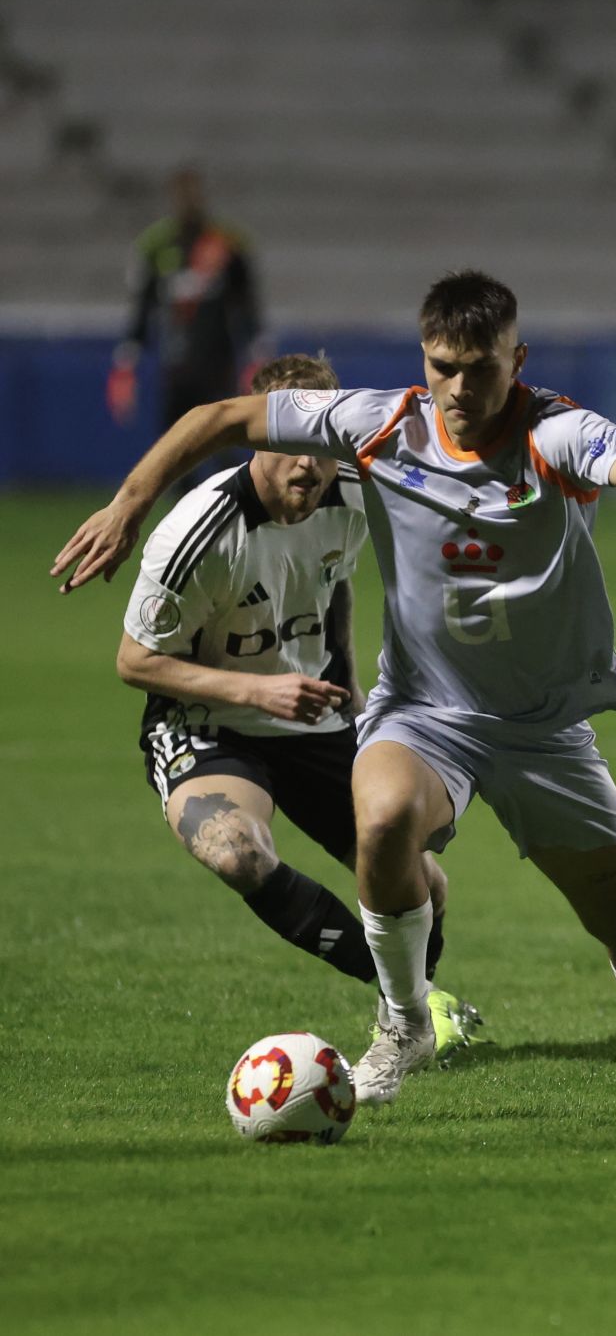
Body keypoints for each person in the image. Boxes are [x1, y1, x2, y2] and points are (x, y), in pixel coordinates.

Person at [55, 270, 616, 1109]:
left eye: (480, 367)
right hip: (424, 713)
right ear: (423, 360)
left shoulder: (555, 432)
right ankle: (403, 1023)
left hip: (543, 727)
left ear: (518, 358)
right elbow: (217, 418)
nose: (460, 388)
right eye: (443, 366)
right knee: (386, 814)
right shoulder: (382, 424)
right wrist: (128, 505)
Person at [117, 352, 481, 1058]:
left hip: (309, 711)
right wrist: (257, 688)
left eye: (322, 446)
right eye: (291, 445)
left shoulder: (349, 494)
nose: (308, 466)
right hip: (207, 721)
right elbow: (134, 660)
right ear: (258, 437)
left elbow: (336, 581)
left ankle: (405, 1009)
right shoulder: (198, 534)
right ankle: (410, 1006)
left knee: (425, 885)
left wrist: (349, 687)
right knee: (238, 852)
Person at [110, 167, 262, 453]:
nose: (188, 201)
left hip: (219, 361)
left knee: (224, 445)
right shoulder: (156, 245)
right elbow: (143, 308)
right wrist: (126, 364)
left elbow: (246, 304)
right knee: (175, 448)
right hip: (176, 365)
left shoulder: (226, 244)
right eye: (183, 194)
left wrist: (255, 354)